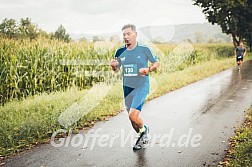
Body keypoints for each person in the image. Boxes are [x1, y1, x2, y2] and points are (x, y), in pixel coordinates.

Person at [110, 24, 160, 150]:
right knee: (132, 120)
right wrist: (113, 66)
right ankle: (141, 136)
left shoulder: (144, 49)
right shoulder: (120, 51)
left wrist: (148, 69)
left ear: (135, 34)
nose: (126, 37)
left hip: (141, 87)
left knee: (133, 116)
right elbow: (117, 69)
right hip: (127, 88)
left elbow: (156, 62)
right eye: (124, 35)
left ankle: (145, 131)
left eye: (128, 34)